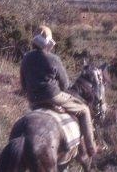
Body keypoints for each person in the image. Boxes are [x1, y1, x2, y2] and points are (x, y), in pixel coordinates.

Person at [20, 26, 97, 157]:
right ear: (48, 43)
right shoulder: (53, 59)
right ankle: (91, 148)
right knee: (84, 110)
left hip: (33, 100)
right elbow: (65, 84)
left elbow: (23, 83)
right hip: (53, 96)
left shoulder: (26, 57)